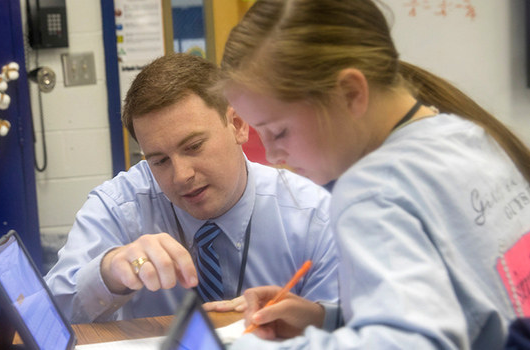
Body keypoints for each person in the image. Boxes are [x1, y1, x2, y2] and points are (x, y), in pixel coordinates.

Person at [219, 0, 530, 349]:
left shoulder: (372, 190)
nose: (274, 156)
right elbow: (466, 305)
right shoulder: (469, 136)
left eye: (278, 131)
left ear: (350, 93)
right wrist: (328, 319)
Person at [43, 53, 339, 324]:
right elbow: (46, 317)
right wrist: (109, 272)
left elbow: (347, 332)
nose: (181, 176)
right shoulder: (120, 206)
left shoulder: (313, 216)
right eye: (159, 160)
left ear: (237, 125)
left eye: (194, 146)